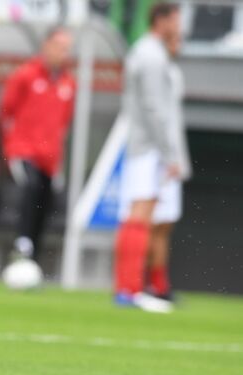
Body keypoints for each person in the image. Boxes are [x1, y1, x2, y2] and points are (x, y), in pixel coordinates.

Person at [115, 3, 188, 312]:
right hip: (150, 147)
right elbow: (155, 110)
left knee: (143, 214)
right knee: (140, 214)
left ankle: (131, 288)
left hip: (146, 146)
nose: (179, 27)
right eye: (176, 20)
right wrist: (170, 154)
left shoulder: (148, 52)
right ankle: (130, 289)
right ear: (161, 20)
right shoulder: (151, 55)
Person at [0, 26, 75, 264]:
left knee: (46, 201)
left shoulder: (69, 83)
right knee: (30, 187)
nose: (63, 53)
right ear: (46, 46)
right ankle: (22, 241)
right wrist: (11, 146)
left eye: (66, 49)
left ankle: (31, 257)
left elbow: (64, 122)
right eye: (60, 47)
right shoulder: (25, 75)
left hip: (50, 158)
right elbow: (5, 112)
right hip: (24, 151)